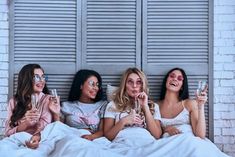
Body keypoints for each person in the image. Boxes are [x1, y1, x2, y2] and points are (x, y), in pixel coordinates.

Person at [157, 67, 229, 156]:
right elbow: (155, 133)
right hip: (168, 146)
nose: (175, 79)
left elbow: (200, 135)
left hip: (189, 143)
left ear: (182, 85)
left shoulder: (189, 103)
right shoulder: (155, 105)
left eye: (179, 78)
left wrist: (200, 105)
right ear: (166, 80)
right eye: (172, 76)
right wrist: (167, 129)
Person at [4, 64, 60, 149]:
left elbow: (45, 127)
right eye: (37, 77)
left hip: (41, 140)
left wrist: (56, 113)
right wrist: (26, 123)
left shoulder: (48, 99)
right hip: (18, 140)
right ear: (26, 80)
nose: (42, 81)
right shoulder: (13, 101)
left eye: (43, 77)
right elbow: (8, 132)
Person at [104, 67, 162, 141]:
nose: (134, 86)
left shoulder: (153, 106)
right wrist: (123, 121)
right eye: (130, 82)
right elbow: (107, 137)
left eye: (138, 82)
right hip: (122, 144)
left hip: (147, 144)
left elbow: (157, 135)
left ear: (143, 85)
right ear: (124, 85)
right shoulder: (112, 105)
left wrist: (145, 107)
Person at [61, 69, 106, 141]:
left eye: (97, 85)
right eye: (92, 84)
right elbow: (59, 129)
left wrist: (92, 137)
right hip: (72, 140)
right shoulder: (66, 106)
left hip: (94, 140)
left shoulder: (102, 105)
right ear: (81, 85)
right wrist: (55, 113)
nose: (96, 88)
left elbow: (103, 131)